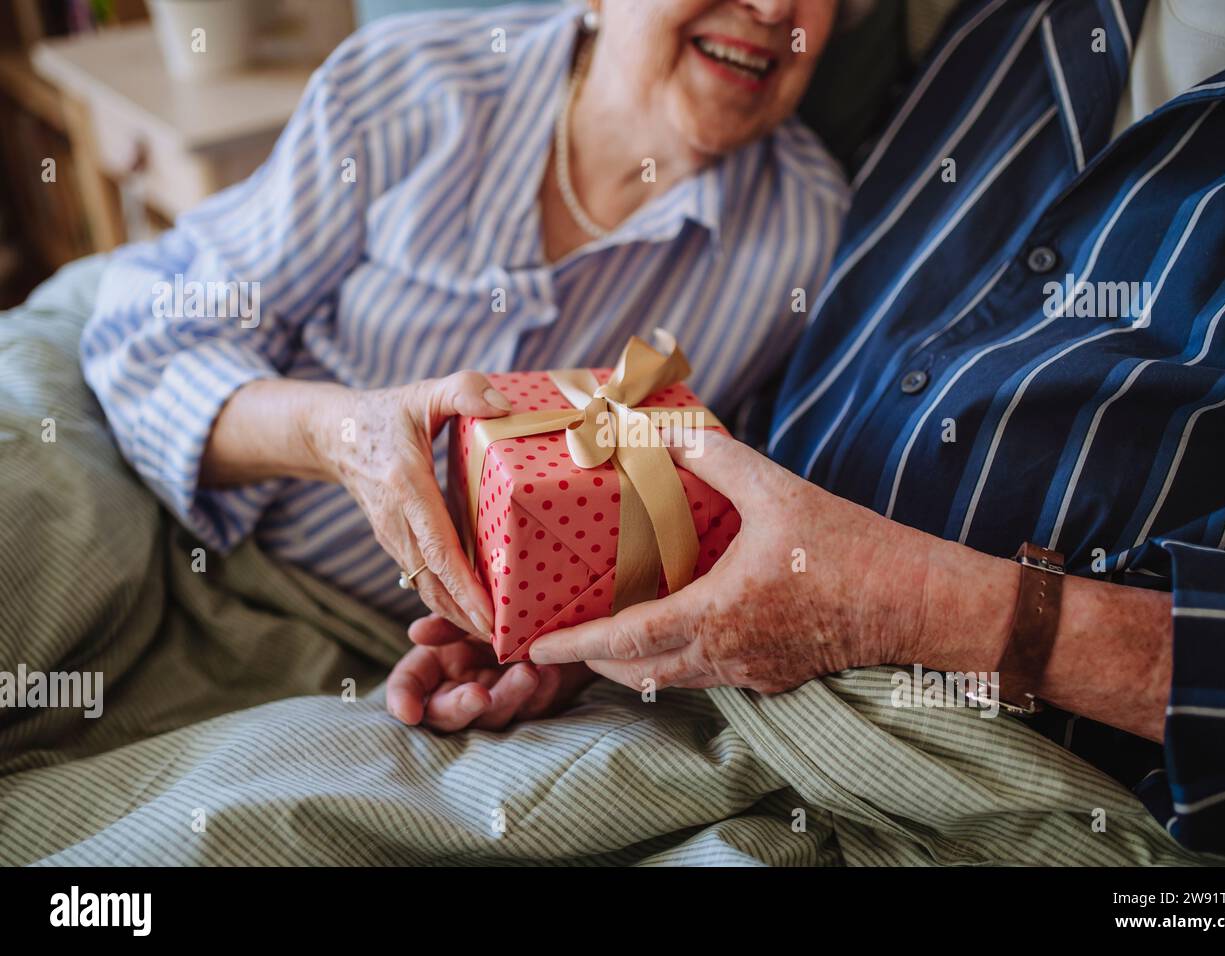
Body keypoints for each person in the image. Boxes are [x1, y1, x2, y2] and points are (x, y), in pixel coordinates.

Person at [529, 0, 1225, 860]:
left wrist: (912, 605)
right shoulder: (997, 27)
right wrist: (599, 591)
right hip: (693, 695)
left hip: (997, 808)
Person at [81, 1, 854, 730]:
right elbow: (147, 341)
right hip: (157, 528)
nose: (774, 8)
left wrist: (569, 646)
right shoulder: (409, 85)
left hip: (380, 662)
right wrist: (340, 435)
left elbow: (709, 528)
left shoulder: (812, 236)